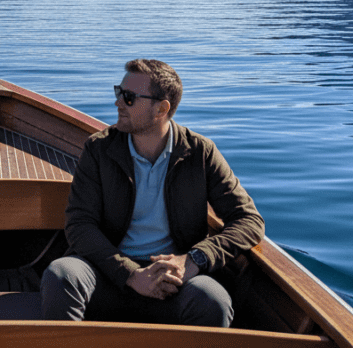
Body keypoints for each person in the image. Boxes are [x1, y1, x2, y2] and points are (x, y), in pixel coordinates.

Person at [41, 59, 264, 327]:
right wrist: (132, 275)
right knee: (62, 274)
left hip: (173, 281)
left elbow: (249, 221)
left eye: (129, 97)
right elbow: (79, 225)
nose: (118, 103)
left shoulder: (200, 153)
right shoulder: (99, 150)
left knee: (212, 300)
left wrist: (194, 260)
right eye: (118, 92)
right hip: (109, 274)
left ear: (162, 109)